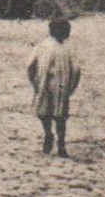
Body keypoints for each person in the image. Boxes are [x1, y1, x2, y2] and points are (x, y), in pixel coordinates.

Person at [28, 17, 82, 157]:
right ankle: (55, 139)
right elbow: (76, 71)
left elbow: (30, 66)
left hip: (51, 85)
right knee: (55, 115)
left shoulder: (51, 46)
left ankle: (56, 140)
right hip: (55, 85)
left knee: (52, 114)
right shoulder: (49, 47)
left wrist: (35, 83)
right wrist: (71, 86)